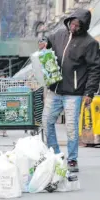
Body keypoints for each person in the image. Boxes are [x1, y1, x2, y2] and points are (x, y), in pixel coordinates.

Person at [41, 8, 100, 172]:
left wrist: (89, 92)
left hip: (73, 93)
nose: (74, 27)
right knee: (46, 121)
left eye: (77, 25)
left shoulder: (89, 43)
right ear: (69, 21)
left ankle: (72, 159)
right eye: (72, 23)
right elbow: (47, 39)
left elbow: (95, 69)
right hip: (55, 89)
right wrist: (44, 41)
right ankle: (56, 154)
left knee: (72, 127)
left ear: (83, 26)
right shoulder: (59, 34)